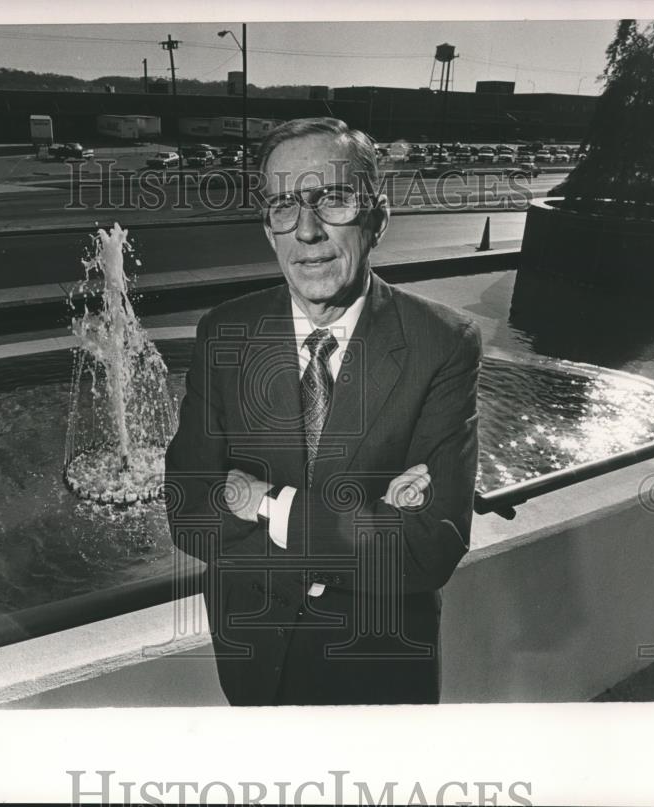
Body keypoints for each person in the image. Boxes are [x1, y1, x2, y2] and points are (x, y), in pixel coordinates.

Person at [164, 117, 481, 706]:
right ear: (268, 228)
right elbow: (188, 512)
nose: (306, 231)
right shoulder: (226, 332)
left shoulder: (443, 342)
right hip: (251, 652)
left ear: (379, 218)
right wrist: (370, 520)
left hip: (376, 663)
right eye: (283, 206)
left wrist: (262, 503)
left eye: (332, 200)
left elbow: (426, 548)